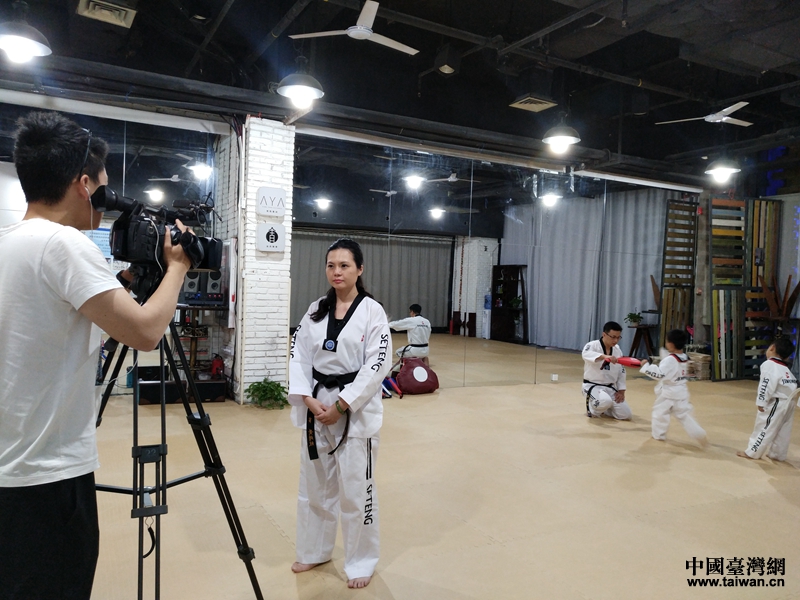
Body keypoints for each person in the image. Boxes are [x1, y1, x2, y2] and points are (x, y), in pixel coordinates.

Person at [0, 111, 192, 600]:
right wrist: (177, 267)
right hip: (47, 478)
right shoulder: (64, 244)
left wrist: (123, 282)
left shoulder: (9, 242)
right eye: (104, 187)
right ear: (83, 184)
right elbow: (145, 333)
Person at [288, 238, 391, 589]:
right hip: (317, 404)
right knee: (314, 486)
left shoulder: (373, 312)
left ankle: (361, 561)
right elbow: (299, 355)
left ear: (359, 269)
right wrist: (306, 398)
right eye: (331, 265)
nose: (337, 272)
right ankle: (314, 550)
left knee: (356, 490)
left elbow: (378, 364)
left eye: (344, 265)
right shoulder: (316, 309)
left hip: (354, 411)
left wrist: (343, 404)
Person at [640, 329, 708, 446]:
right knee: (684, 415)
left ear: (671, 344)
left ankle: (658, 435)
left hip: (668, 393)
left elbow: (660, 374)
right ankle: (698, 433)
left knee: (660, 414)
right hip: (681, 391)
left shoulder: (670, 360)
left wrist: (646, 366)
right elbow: (672, 366)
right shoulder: (683, 356)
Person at [737, 337, 798, 461]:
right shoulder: (785, 369)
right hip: (790, 401)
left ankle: (752, 452)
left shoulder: (769, 364)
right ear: (787, 357)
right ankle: (778, 454)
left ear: (772, 348)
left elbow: (766, 384)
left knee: (764, 426)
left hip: (777, 402)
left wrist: (761, 401)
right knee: (783, 430)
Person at [582, 321, 632, 420]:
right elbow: (585, 354)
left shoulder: (617, 350)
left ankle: (606, 408)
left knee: (626, 415)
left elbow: (621, 371)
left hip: (610, 387)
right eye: (613, 337)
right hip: (592, 386)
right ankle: (592, 409)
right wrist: (604, 356)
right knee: (604, 401)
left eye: (618, 337)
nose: (616, 340)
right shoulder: (592, 345)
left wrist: (621, 391)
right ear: (604, 334)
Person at [388, 303, 432, 369]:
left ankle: (410, 366)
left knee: (398, 352)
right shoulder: (427, 321)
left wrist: (386, 324)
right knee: (424, 356)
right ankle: (426, 368)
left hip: (414, 350)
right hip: (426, 350)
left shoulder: (411, 320)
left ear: (412, 312)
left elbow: (397, 324)